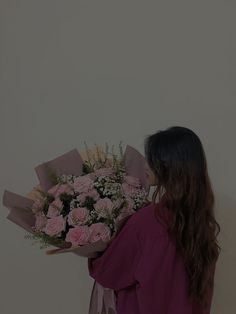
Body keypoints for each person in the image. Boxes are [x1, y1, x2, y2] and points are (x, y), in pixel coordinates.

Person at [88, 126, 221, 314]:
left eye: (151, 160)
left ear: (168, 165)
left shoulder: (147, 221)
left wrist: (94, 249)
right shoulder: (201, 222)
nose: (144, 166)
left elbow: (110, 274)